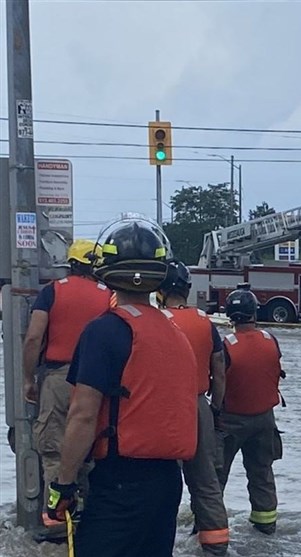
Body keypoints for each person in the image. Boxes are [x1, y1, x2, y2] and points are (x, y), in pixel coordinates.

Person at [47, 216, 198, 557]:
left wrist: (63, 483)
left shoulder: (105, 331)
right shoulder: (175, 333)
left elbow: (82, 415)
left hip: (119, 480)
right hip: (166, 482)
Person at [22, 238, 112, 529]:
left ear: (71, 264)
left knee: (53, 449)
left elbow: (34, 337)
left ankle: (59, 521)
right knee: (90, 449)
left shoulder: (52, 292)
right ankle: (89, 517)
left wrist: (28, 378)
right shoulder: (109, 295)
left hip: (59, 378)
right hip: (98, 382)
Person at [157, 260, 229, 556]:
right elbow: (220, 370)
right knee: (206, 480)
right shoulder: (205, 322)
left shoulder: (157, 321)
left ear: (160, 290)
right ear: (187, 290)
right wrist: (215, 409)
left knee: (161, 478)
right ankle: (216, 543)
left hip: (163, 408)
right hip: (199, 405)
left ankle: (161, 542)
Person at [216, 285, 285, 536]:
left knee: (215, 479)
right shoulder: (270, 340)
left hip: (230, 421)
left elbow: (219, 383)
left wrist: (214, 412)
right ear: (254, 313)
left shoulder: (225, 345)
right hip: (265, 419)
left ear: (230, 316)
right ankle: (266, 527)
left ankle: (209, 529)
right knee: (262, 474)